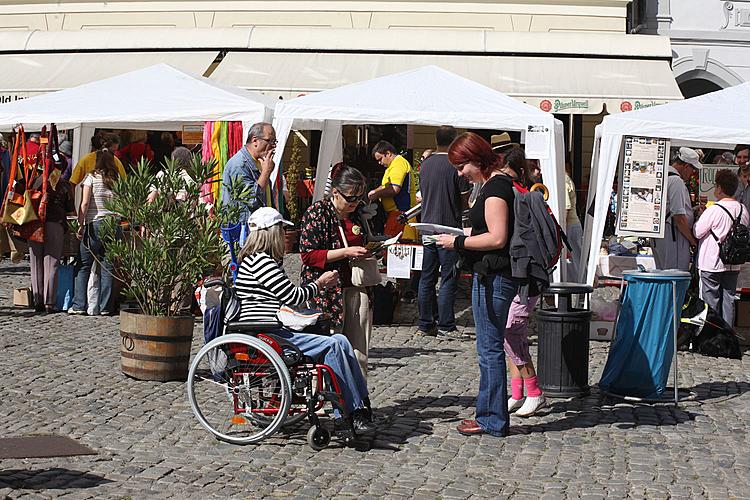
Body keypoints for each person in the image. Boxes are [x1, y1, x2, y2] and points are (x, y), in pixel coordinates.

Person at [235, 207, 375, 434]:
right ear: (272, 233)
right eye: (282, 230)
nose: (284, 236)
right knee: (334, 344)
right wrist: (320, 283)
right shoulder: (262, 262)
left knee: (341, 341)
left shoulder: (258, 260)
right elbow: (292, 296)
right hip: (267, 334)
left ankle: (360, 407)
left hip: (270, 329)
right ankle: (350, 412)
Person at [436, 132, 518, 437]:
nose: (460, 174)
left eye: (461, 167)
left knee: (489, 349)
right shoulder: (496, 184)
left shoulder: (495, 189)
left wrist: (458, 241)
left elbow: (497, 237)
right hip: (494, 276)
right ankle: (489, 415)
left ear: (476, 160)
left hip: (494, 278)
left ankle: (492, 419)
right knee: (489, 348)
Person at [298, 165, 374, 378]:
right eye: (351, 198)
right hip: (326, 289)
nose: (355, 203)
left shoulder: (358, 214)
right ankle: (319, 396)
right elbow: (309, 255)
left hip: (356, 285)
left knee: (358, 348)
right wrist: (345, 252)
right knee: (325, 344)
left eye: (359, 198)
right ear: (335, 192)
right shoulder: (317, 213)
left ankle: (356, 397)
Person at [495, 147, 547, 417]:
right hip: (525, 275)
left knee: (512, 333)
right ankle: (517, 392)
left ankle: (535, 391)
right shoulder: (520, 191)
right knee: (512, 336)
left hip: (526, 276)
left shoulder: (515, 194)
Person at [417, 125, 470, 337]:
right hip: (448, 228)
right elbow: (464, 199)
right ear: (454, 140)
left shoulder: (426, 164)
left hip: (427, 226)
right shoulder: (455, 164)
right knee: (448, 277)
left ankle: (425, 322)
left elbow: (421, 195)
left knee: (427, 277)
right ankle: (446, 323)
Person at [68, 148, 122, 315]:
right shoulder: (117, 179)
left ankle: (79, 305)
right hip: (114, 223)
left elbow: (85, 203)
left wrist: (80, 224)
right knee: (108, 266)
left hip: (95, 223)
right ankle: (105, 307)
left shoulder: (91, 177)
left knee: (84, 265)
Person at [693, 169, 749, 327]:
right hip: (733, 262)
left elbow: (697, 232)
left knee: (710, 300)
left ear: (719, 188)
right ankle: (727, 336)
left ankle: (712, 336)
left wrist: (699, 217)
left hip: (712, 261)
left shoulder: (714, 210)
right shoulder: (743, 210)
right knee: (729, 298)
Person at [28, 160, 75, 313]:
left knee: (36, 263)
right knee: (51, 262)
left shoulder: (34, 181)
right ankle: (49, 302)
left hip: (34, 223)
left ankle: (38, 300)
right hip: (55, 223)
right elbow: (70, 209)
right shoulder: (63, 185)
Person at [653, 147, 700, 271]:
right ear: (686, 166)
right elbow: (679, 217)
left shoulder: (662, 176)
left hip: (661, 233)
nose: (692, 173)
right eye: (693, 169)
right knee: (676, 275)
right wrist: (692, 241)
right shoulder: (676, 181)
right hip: (673, 236)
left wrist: (692, 210)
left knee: (663, 273)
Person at [222, 122, 277, 224]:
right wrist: (266, 172)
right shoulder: (239, 165)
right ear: (255, 141)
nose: (273, 146)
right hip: (245, 232)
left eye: (275, 141)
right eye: (270, 141)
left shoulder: (261, 162)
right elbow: (252, 200)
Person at [368, 140, 417, 240]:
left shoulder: (398, 164)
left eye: (380, 159)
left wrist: (377, 194)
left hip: (402, 215)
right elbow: (386, 186)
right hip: (397, 215)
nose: (379, 162)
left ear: (388, 153)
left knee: (397, 247)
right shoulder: (392, 166)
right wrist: (375, 191)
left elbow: (395, 189)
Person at [564, 160, 583, 282]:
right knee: (575, 260)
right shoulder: (565, 179)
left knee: (573, 262)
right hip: (570, 225)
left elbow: (566, 207)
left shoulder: (563, 180)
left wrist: (562, 233)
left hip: (569, 225)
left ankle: (581, 287)